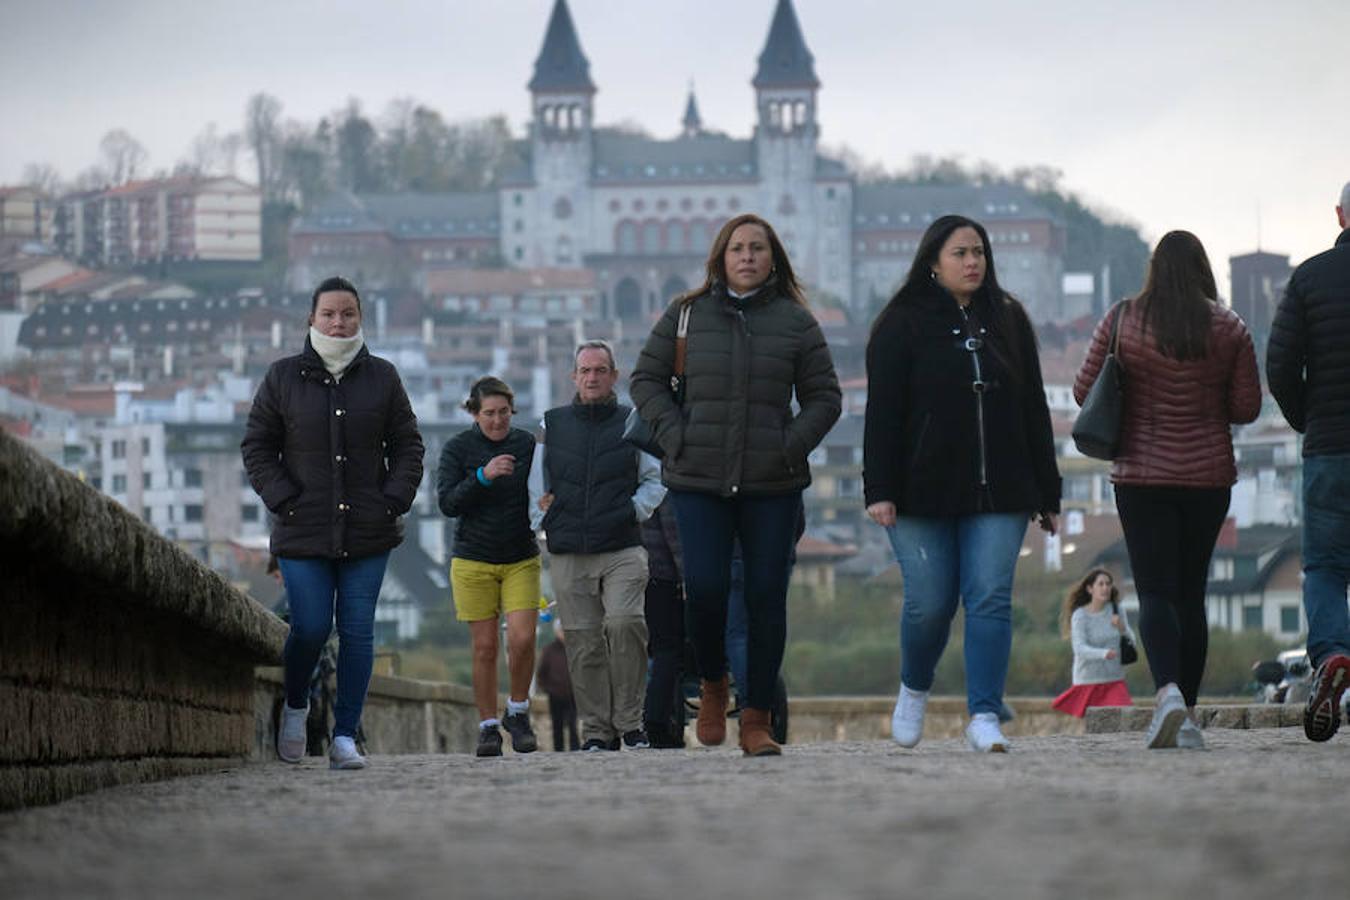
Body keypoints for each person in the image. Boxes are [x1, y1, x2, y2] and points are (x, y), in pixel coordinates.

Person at [631, 213, 842, 757]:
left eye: (758, 248)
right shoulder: (686, 314)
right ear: (720, 258)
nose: (747, 256)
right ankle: (713, 682)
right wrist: (676, 435)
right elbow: (645, 380)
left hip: (772, 481)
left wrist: (788, 444)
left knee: (767, 598)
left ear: (773, 259)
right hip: (697, 478)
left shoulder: (796, 322)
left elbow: (825, 397)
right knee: (703, 590)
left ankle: (756, 719)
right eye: (737, 248)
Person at [864, 214, 1060, 754]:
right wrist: (878, 488)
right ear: (933, 261)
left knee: (991, 597)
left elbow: (1034, 408)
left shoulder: (1010, 319)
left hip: (1003, 488)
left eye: (979, 252)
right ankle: (914, 688)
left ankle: (984, 714)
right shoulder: (900, 322)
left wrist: (1048, 492)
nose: (973, 262)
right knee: (929, 603)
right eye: (960, 253)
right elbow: (882, 413)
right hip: (919, 488)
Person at [1076, 230, 1260, 749]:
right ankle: (1191, 717)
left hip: (1141, 475)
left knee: (1153, 590)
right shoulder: (1230, 327)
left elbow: (1082, 389)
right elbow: (1247, 407)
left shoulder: (1122, 319)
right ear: (1204, 268)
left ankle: (1167, 697)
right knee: (1189, 594)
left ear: (1154, 268)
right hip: (1207, 477)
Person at [242, 275, 424, 770]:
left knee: (359, 630)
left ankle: (345, 735)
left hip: (369, 528)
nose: (339, 322)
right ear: (312, 318)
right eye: (329, 314)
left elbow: (408, 444)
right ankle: (297, 705)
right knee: (311, 626)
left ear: (360, 318)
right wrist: (284, 498)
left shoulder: (382, 377)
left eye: (348, 314)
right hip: (302, 527)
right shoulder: (282, 377)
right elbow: (257, 446)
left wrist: (394, 499)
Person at [528, 340, 666, 751]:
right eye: (585, 371)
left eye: (600, 370)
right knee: (584, 640)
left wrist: (633, 511)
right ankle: (596, 732)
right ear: (574, 377)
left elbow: (655, 479)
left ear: (613, 376)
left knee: (625, 625)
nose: (592, 377)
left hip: (622, 545)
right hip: (570, 549)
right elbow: (536, 485)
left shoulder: (633, 422)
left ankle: (630, 723)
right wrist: (545, 525)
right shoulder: (551, 425)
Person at [1267, 181, 1350, 742]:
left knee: (1323, 566)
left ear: (1341, 215)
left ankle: (1333, 656)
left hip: (1330, 447)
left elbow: (1277, 363)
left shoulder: (1309, 277)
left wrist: (1307, 419)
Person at [437, 376, 541, 757]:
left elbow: (543, 484)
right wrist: (482, 476)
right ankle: (487, 727)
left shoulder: (526, 444)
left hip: (520, 556)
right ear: (474, 413)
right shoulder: (458, 448)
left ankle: (518, 711)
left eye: (503, 413)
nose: (497, 421)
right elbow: (447, 503)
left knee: (523, 639)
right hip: (473, 558)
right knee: (484, 648)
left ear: (512, 411)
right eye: (489, 414)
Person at [1051, 569, 1135, 718]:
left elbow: (1132, 641)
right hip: (1087, 681)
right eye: (1100, 584)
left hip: (1114, 680)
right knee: (1095, 729)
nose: (1105, 588)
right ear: (1090, 589)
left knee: (1125, 716)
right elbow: (1079, 649)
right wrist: (1103, 654)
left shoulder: (1117, 610)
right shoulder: (1080, 615)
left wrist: (1122, 628)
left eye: (1108, 584)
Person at [640, 495, 687, 748]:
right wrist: (686, 577)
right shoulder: (664, 488)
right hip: (664, 577)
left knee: (658, 651)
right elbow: (674, 535)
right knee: (668, 649)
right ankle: (656, 723)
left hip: (646, 574)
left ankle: (654, 719)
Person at [536, 619, 580, 751]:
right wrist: (547, 688)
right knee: (557, 724)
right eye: (561, 630)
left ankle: (575, 748)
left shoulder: (576, 648)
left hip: (573, 694)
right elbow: (542, 672)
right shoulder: (549, 650)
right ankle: (558, 749)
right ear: (556, 632)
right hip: (555, 694)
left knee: (573, 723)